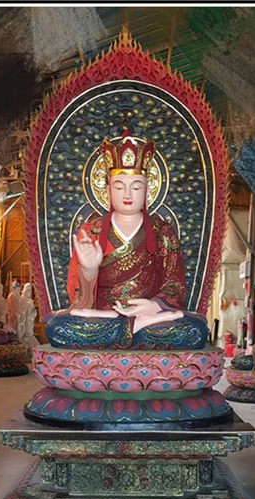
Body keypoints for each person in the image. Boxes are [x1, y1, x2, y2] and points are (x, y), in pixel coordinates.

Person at [44, 130, 208, 349]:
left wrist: (154, 305)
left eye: (136, 187)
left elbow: (175, 285)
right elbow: (78, 298)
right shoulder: (91, 232)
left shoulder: (162, 232)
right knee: (58, 328)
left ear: (147, 190)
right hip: (102, 317)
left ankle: (131, 326)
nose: (128, 194)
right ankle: (132, 327)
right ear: (108, 190)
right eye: (119, 187)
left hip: (150, 317)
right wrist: (89, 271)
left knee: (195, 331)